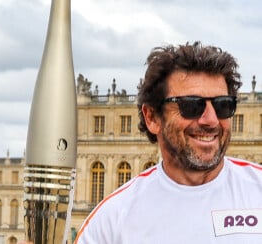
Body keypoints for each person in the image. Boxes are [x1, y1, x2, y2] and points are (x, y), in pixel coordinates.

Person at [74, 42, 262, 243]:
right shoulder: (110, 221)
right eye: (191, 106)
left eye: (223, 105)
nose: (211, 120)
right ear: (152, 118)